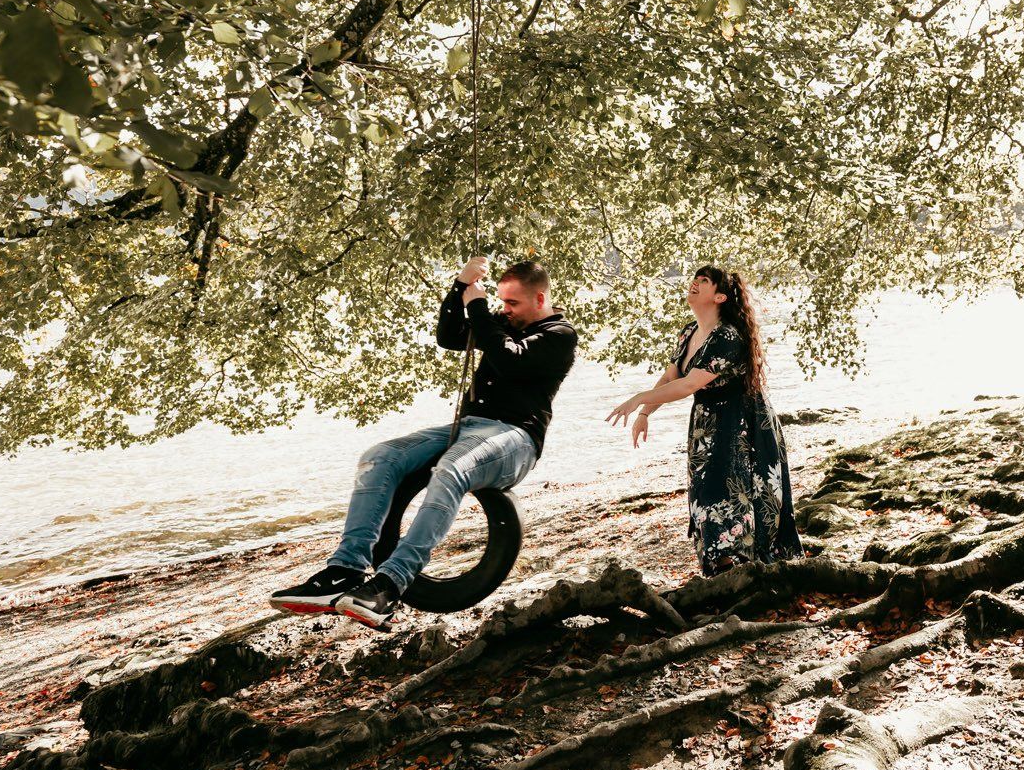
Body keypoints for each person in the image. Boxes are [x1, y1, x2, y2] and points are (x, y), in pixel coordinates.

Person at [270, 255, 577, 626]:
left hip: (515, 438)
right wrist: (460, 288)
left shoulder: (559, 335)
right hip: (469, 426)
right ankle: (344, 570)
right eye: (500, 301)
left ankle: (389, 585)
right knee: (379, 456)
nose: (504, 309)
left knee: (452, 467)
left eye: (512, 303)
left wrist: (477, 306)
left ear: (540, 299)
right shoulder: (499, 322)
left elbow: (510, 359)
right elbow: (449, 337)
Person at [607, 267, 801, 576]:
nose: (694, 284)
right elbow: (672, 377)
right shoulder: (688, 332)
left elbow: (688, 385)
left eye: (704, 282)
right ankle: (723, 572)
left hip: (741, 424)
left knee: (734, 492)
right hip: (706, 425)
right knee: (705, 492)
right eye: (694, 280)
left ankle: (749, 569)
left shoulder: (727, 336)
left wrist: (637, 398)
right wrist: (645, 412)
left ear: (720, 297)